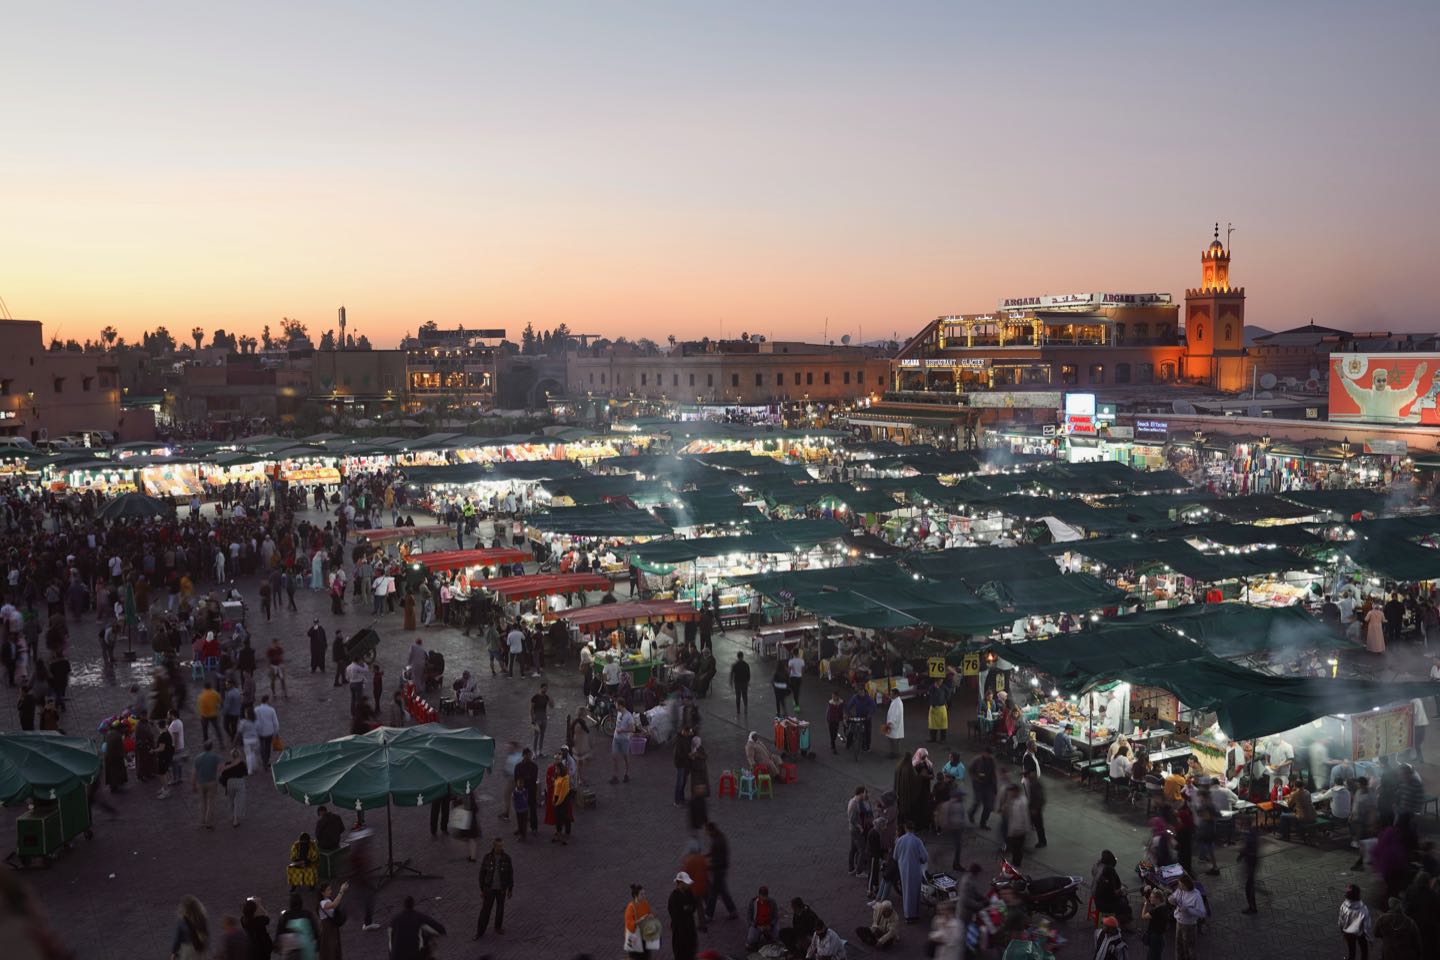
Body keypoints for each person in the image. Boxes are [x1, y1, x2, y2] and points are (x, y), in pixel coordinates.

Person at [473, 838, 514, 939]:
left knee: (500, 909)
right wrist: (482, 889)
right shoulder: (487, 857)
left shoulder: (507, 858)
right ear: (494, 846)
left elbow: (510, 874)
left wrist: (510, 889)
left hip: (501, 889)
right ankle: (480, 931)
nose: (501, 848)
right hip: (489, 889)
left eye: (502, 846)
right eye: (499, 846)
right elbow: (482, 874)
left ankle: (498, 927)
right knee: (485, 911)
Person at [387, 895, 445, 960]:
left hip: (395, 958)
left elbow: (390, 943)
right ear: (413, 904)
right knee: (430, 941)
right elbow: (440, 929)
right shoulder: (419, 917)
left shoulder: (394, 921)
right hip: (414, 956)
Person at [893, 820, 928, 924]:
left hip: (903, 869)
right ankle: (914, 914)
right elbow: (924, 857)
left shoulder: (900, 840)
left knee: (906, 890)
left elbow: (895, 856)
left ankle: (908, 914)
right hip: (915, 869)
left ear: (906, 828)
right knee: (915, 891)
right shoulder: (918, 841)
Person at [1168, 873, 1207, 960]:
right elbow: (1174, 897)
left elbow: (1202, 913)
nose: (1179, 886)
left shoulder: (1196, 895)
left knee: (1189, 948)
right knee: (1179, 945)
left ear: (1186, 885)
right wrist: (1171, 900)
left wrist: (1188, 910)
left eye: (1181, 885)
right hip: (1179, 922)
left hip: (1189, 925)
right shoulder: (1180, 890)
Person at [1093, 850, 1130, 925]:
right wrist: (1122, 890)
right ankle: (1118, 923)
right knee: (1125, 905)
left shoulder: (1099, 868)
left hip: (1097, 898)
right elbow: (1114, 894)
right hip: (1105, 903)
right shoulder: (1108, 877)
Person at [624, 884, 662, 958]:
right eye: (641, 894)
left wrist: (651, 916)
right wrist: (640, 920)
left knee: (646, 956)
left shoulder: (645, 903)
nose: (644, 896)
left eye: (644, 893)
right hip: (634, 939)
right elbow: (629, 925)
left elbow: (649, 913)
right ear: (636, 895)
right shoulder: (630, 907)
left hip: (644, 937)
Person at [669, 871, 700, 960]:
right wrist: (688, 909)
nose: (688, 885)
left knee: (692, 950)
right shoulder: (673, 898)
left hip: (689, 927)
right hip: (680, 932)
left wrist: (687, 909)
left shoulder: (688, 891)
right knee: (681, 953)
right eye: (686, 883)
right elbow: (676, 916)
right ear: (680, 883)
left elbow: (694, 905)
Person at [170, 895, 210, 960]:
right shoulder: (202, 918)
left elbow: (177, 938)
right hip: (200, 948)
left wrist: (173, 953)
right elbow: (207, 934)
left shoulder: (182, 920)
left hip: (187, 949)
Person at [316, 881, 349, 960]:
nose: (330, 891)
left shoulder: (327, 900)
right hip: (327, 929)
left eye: (330, 889)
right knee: (330, 949)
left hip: (331, 928)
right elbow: (334, 905)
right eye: (328, 890)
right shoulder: (322, 903)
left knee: (333, 948)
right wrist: (341, 891)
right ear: (322, 893)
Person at [1339, 884, 1373, 960]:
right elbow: (1367, 924)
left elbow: (1341, 920)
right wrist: (1369, 937)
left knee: (1351, 950)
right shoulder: (1363, 909)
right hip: (1360, 933)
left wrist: (1342, 930)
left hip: (1348, 933)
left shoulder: (1344, 905)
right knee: (1364, 950)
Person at [219, 746, 248, 827]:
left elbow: (223, 774)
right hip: (239, 782)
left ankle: (232, 815)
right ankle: (235, 819)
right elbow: (246, 773)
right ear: (239, 755)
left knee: (231, 800)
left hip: (230, 783)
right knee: (238, 801)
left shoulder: (228, 764)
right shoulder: (242, 763)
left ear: (232, 756)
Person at [968, 746, 997, 828]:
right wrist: (976, 778)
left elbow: (993, 774)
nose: (990, 756)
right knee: (977, 802)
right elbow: (970, 770)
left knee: (988, 806)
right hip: (978, 785)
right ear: (985, 753)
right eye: (989, 754)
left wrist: (995, 788)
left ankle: (983, 823)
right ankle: (971, 813)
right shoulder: (977, 760)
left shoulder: (992, 761)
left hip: (988, 785)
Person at [1002, 782, 1029, 866]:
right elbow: (1007, 814)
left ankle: (1017, 863)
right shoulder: (1011, 800)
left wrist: (1025, 828)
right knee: (1014, 848)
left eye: (1012, 791)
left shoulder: (1022, 801)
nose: (1010, 793)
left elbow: (1025, 816)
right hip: (1013, 829)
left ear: (1016, 791)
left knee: (1017, 848)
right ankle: (1015, 862)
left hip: (1019, 830)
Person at [1139, 888, 1170, 960]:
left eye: (1152, 897)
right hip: (1160, 936)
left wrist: (1145, 904)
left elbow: (1143, 916)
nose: (1150, 899)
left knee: (1152, 957)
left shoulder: (1155, 911)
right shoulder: (1164, 907)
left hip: (1155, 937)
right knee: (1157, 956)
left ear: (1158, 899)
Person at [611, 699, 636, 784]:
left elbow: (633, 729)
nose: (615, 706)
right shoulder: (619, 713)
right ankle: (615, 776)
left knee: (625, 757)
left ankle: (627, 774)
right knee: (614, 757)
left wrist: (623, 730)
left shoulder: (629, 716)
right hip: (616, 739)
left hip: (625, 740)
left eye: (616, 705)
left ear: (621, 705)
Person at [729, 651, 750, 718]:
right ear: (742, 656)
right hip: (744, 683)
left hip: (737, 683)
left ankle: (738, 710)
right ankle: (745, 707)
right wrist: (748, 681)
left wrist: (731, 682)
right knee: (744, 695)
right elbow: (748, 674)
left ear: (737, 657)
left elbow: (732, 674)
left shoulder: (734, 665)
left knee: (738, 697)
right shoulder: (746, 664)